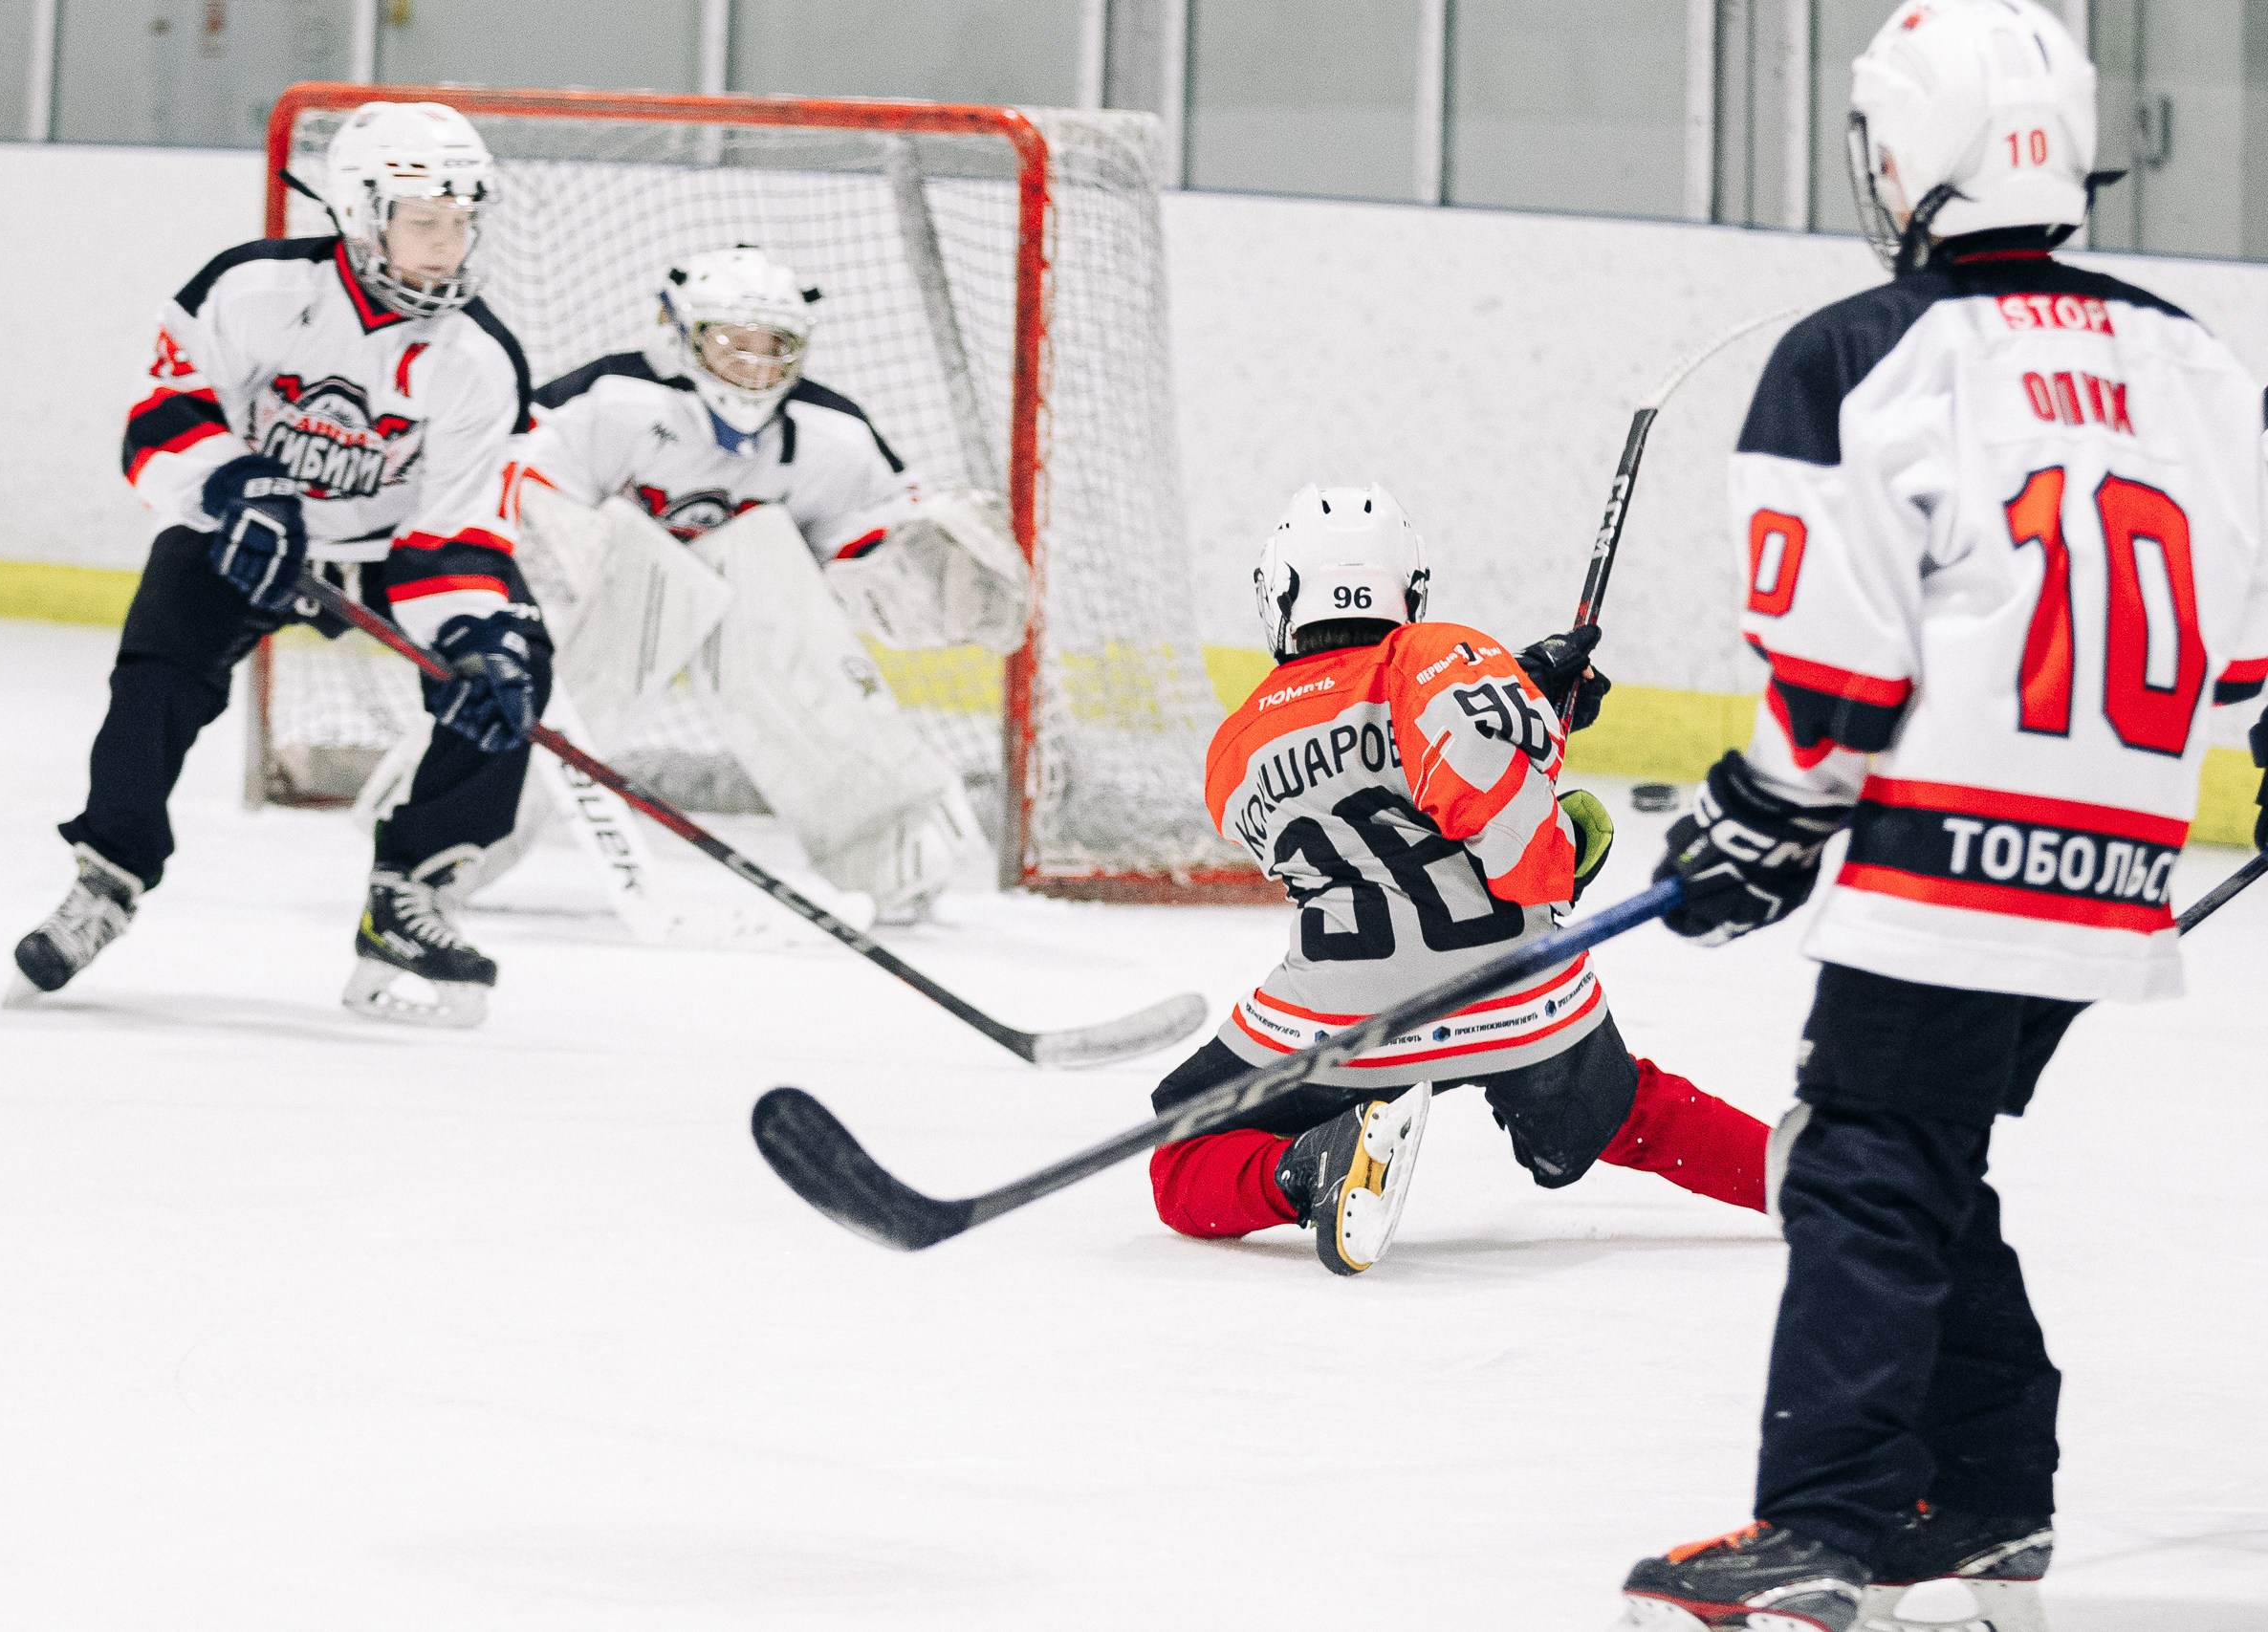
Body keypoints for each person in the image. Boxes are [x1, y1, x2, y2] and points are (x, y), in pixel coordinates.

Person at [1617, 5, 2268, 1628]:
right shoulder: (2197, 357)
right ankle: (1981, 1500)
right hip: (2114, 857)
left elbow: (1837, 660)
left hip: (1951, 852)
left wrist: (1760, 818)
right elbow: (2249, 641)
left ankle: (1826, 1524)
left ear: (1905, 150)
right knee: (1920, 1148)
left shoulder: (1857, 351)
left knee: (1861, 1155)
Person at [10, 100, 550, 1029]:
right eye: (424, 221)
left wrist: (474, 634)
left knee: (509, 667)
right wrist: (235, 491)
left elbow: (455, 529)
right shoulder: (253, 290)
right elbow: (163, 417)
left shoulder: (480, 360)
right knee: (157, 674)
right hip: (248, 529)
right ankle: (109, 875)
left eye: (461, 222)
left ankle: (408, 896)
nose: (447, 244)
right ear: (358, 211)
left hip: (388, 553)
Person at [1144, 484, 1773, 1277]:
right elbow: (1523, 855)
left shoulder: (1234, 750)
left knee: (1180, 1153)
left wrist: (1520, 700)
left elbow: (1359, 777)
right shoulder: (1439, 656)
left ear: (1281, 596)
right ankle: (1808, 1178)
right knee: (1635, 1112)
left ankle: (1310, 1165)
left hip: (1348, 1021)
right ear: (1408, 589)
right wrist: (1534, 732)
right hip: (1517, 997)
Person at [498, 245, 1028, 921]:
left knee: (766, 566)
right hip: (609, 609)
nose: (753, 366)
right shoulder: (613, 400)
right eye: (731, 345)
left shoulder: (833, 436)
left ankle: (888, 855)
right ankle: (445, 834)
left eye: (773, 346)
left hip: (748, 629)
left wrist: (919, 565)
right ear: (681, 336)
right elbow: (525, 497)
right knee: (536, 668)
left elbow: (868, 547)